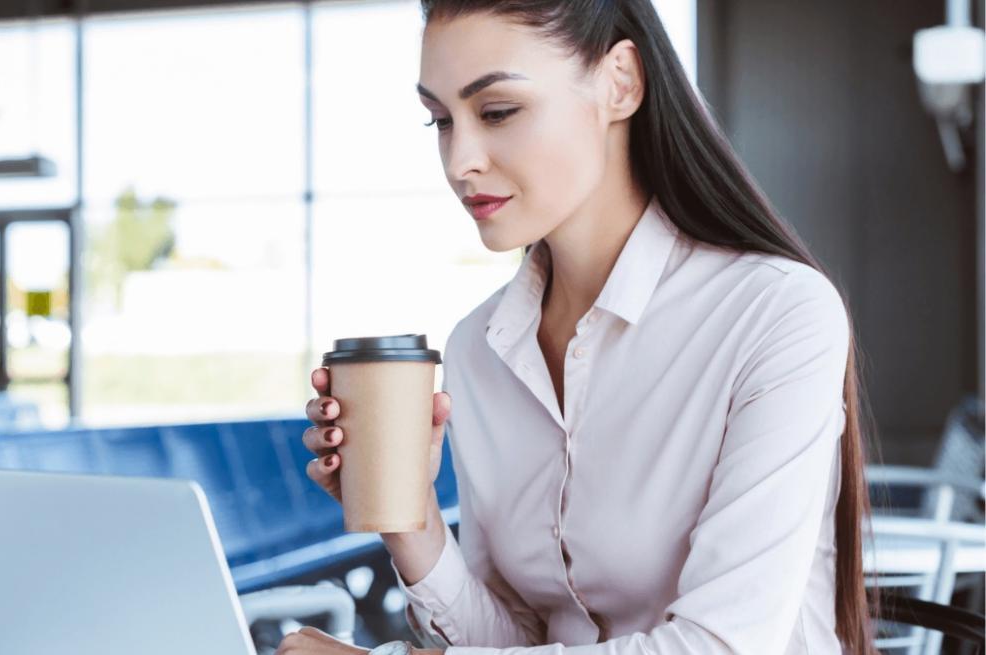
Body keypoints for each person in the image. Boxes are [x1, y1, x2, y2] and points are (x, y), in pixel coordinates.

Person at [279, 1, 881, 653]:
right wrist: (411, 515)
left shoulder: (776, 313)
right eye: (441, 120)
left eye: (498, 111)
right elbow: (517, 639)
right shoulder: (478, 348)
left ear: (619, 81)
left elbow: (721, 645)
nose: (459, 161)